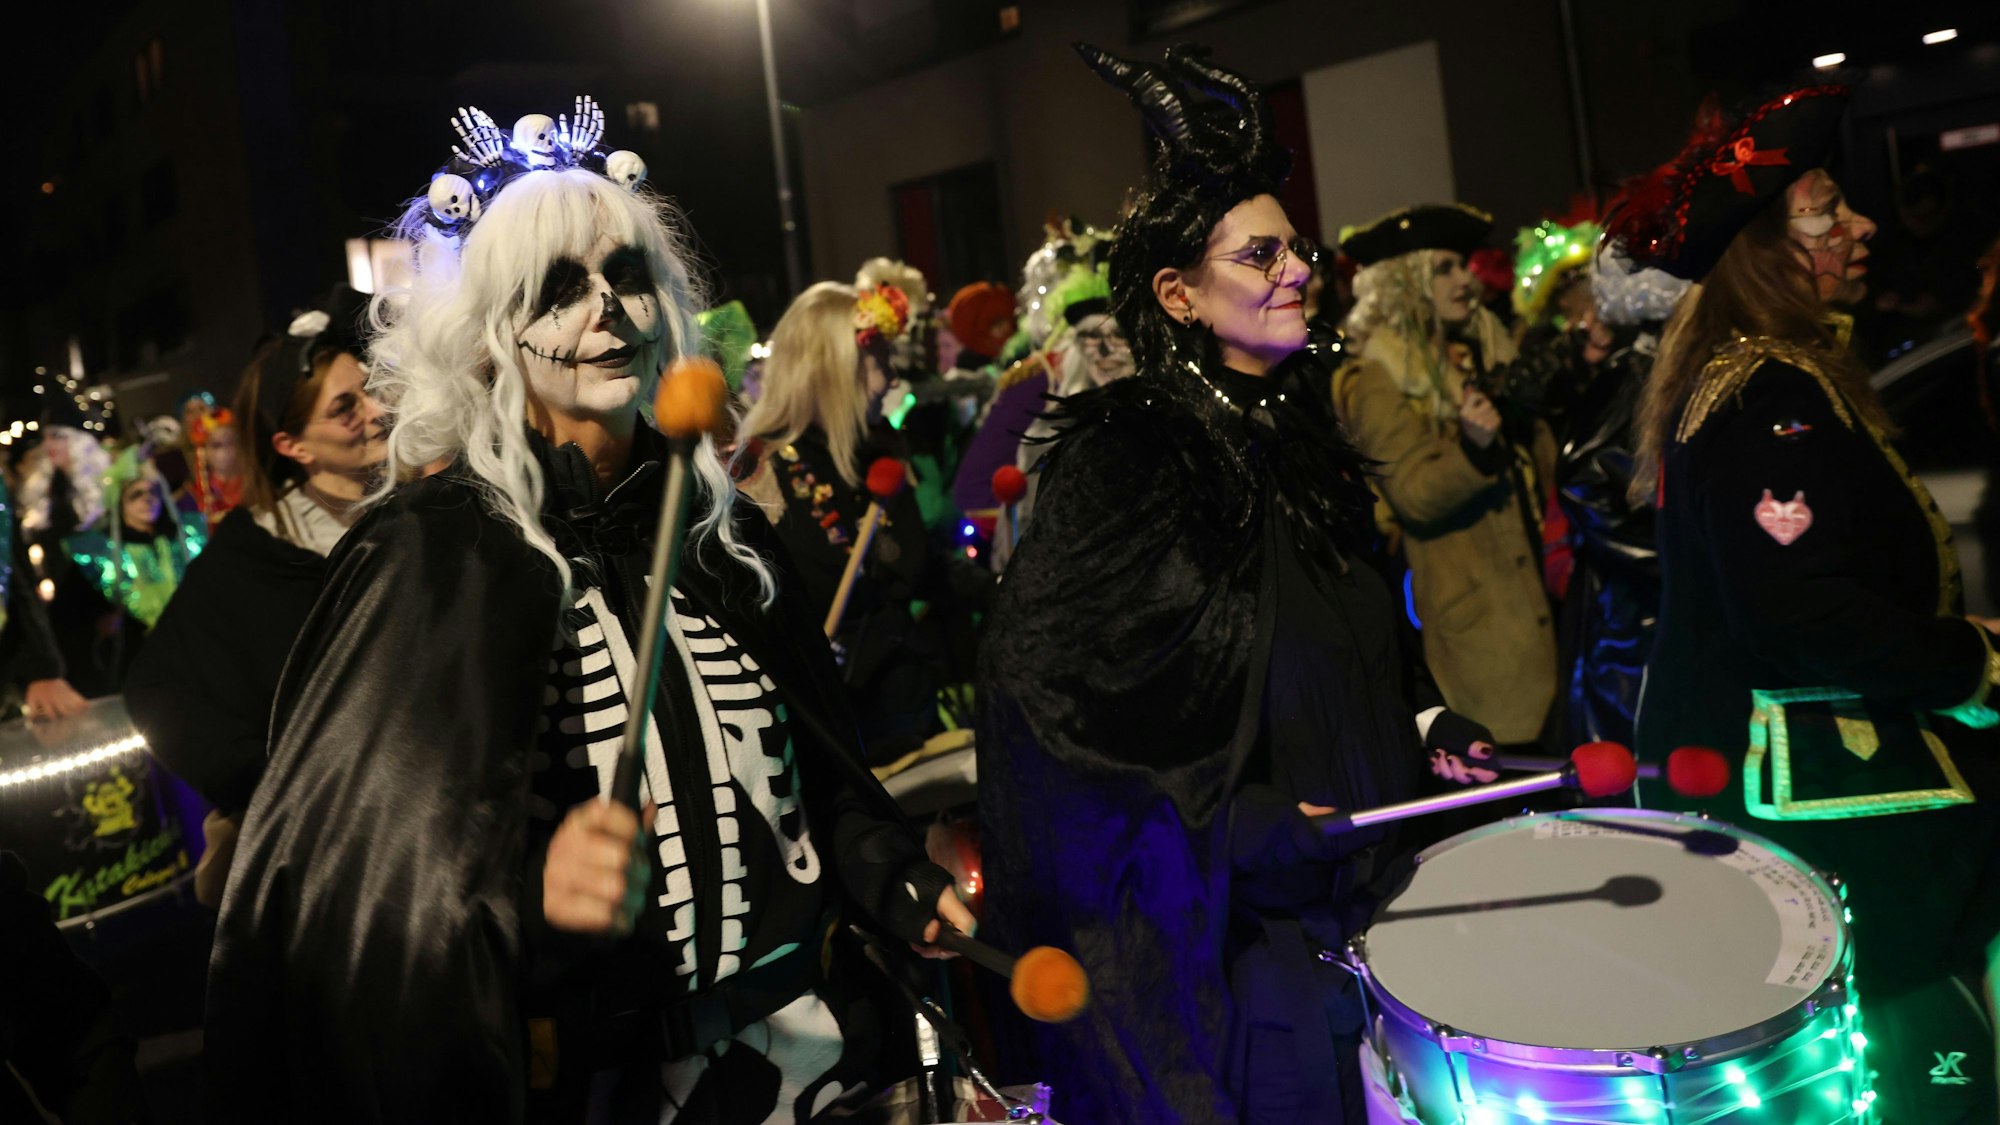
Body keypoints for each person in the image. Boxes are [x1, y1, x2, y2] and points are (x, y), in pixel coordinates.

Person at [206, 97, 970, 1122]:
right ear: (487, 340)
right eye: (559, 288)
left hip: (824, 1068)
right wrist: (532, 906)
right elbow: (373, 906)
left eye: (628, 277)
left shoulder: (721, 532)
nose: (603, 309)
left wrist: (889, 877)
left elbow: (820, 789)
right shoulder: (434, 558)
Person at [979, 45, 1499, 1123]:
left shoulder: (1301, 438)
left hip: (1379, 914)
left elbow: (1348, 641)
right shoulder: (1129, 463)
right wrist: (1233, 821)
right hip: (1240, 958)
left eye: (1293, 248)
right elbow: (1052, 709)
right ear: (1177, 295)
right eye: (1257, 257)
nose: (1295, 270)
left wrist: (1426, 716)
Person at [1612, 82, 2000, 1124]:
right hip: (1828, 821)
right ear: (1761, 248)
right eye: (1828, 210)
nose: (1859, 227)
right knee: (1917, 1068)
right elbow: (1796, 608)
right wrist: (1968, 661)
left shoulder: (1771, 379)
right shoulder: (1768, 395)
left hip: (1815, 804)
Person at [124, 285, 387, 905]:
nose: (375, 412)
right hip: (333, 868)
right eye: (345, 407)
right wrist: (267, 779)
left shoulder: (413, 512)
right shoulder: (252, 558)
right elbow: (155, 689)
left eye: (372, 389)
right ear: (293, 447)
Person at [1333, 203, 1558, 746]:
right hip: (1476, 632)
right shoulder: (1373, 378)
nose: (1467, 281)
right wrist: (1474, 453)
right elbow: (1412, 493)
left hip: (1540, 610)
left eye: (1465, 265)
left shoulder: (1477, 354)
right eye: (1445, 268)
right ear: (1402, 283)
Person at [735, 280, 940, 762]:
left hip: (913, 715)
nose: (891, 379)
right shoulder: (757, 473)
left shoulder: (882, 451)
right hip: (830, 742)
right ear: (832, 371)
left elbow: (918, 571)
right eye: (879, 363)